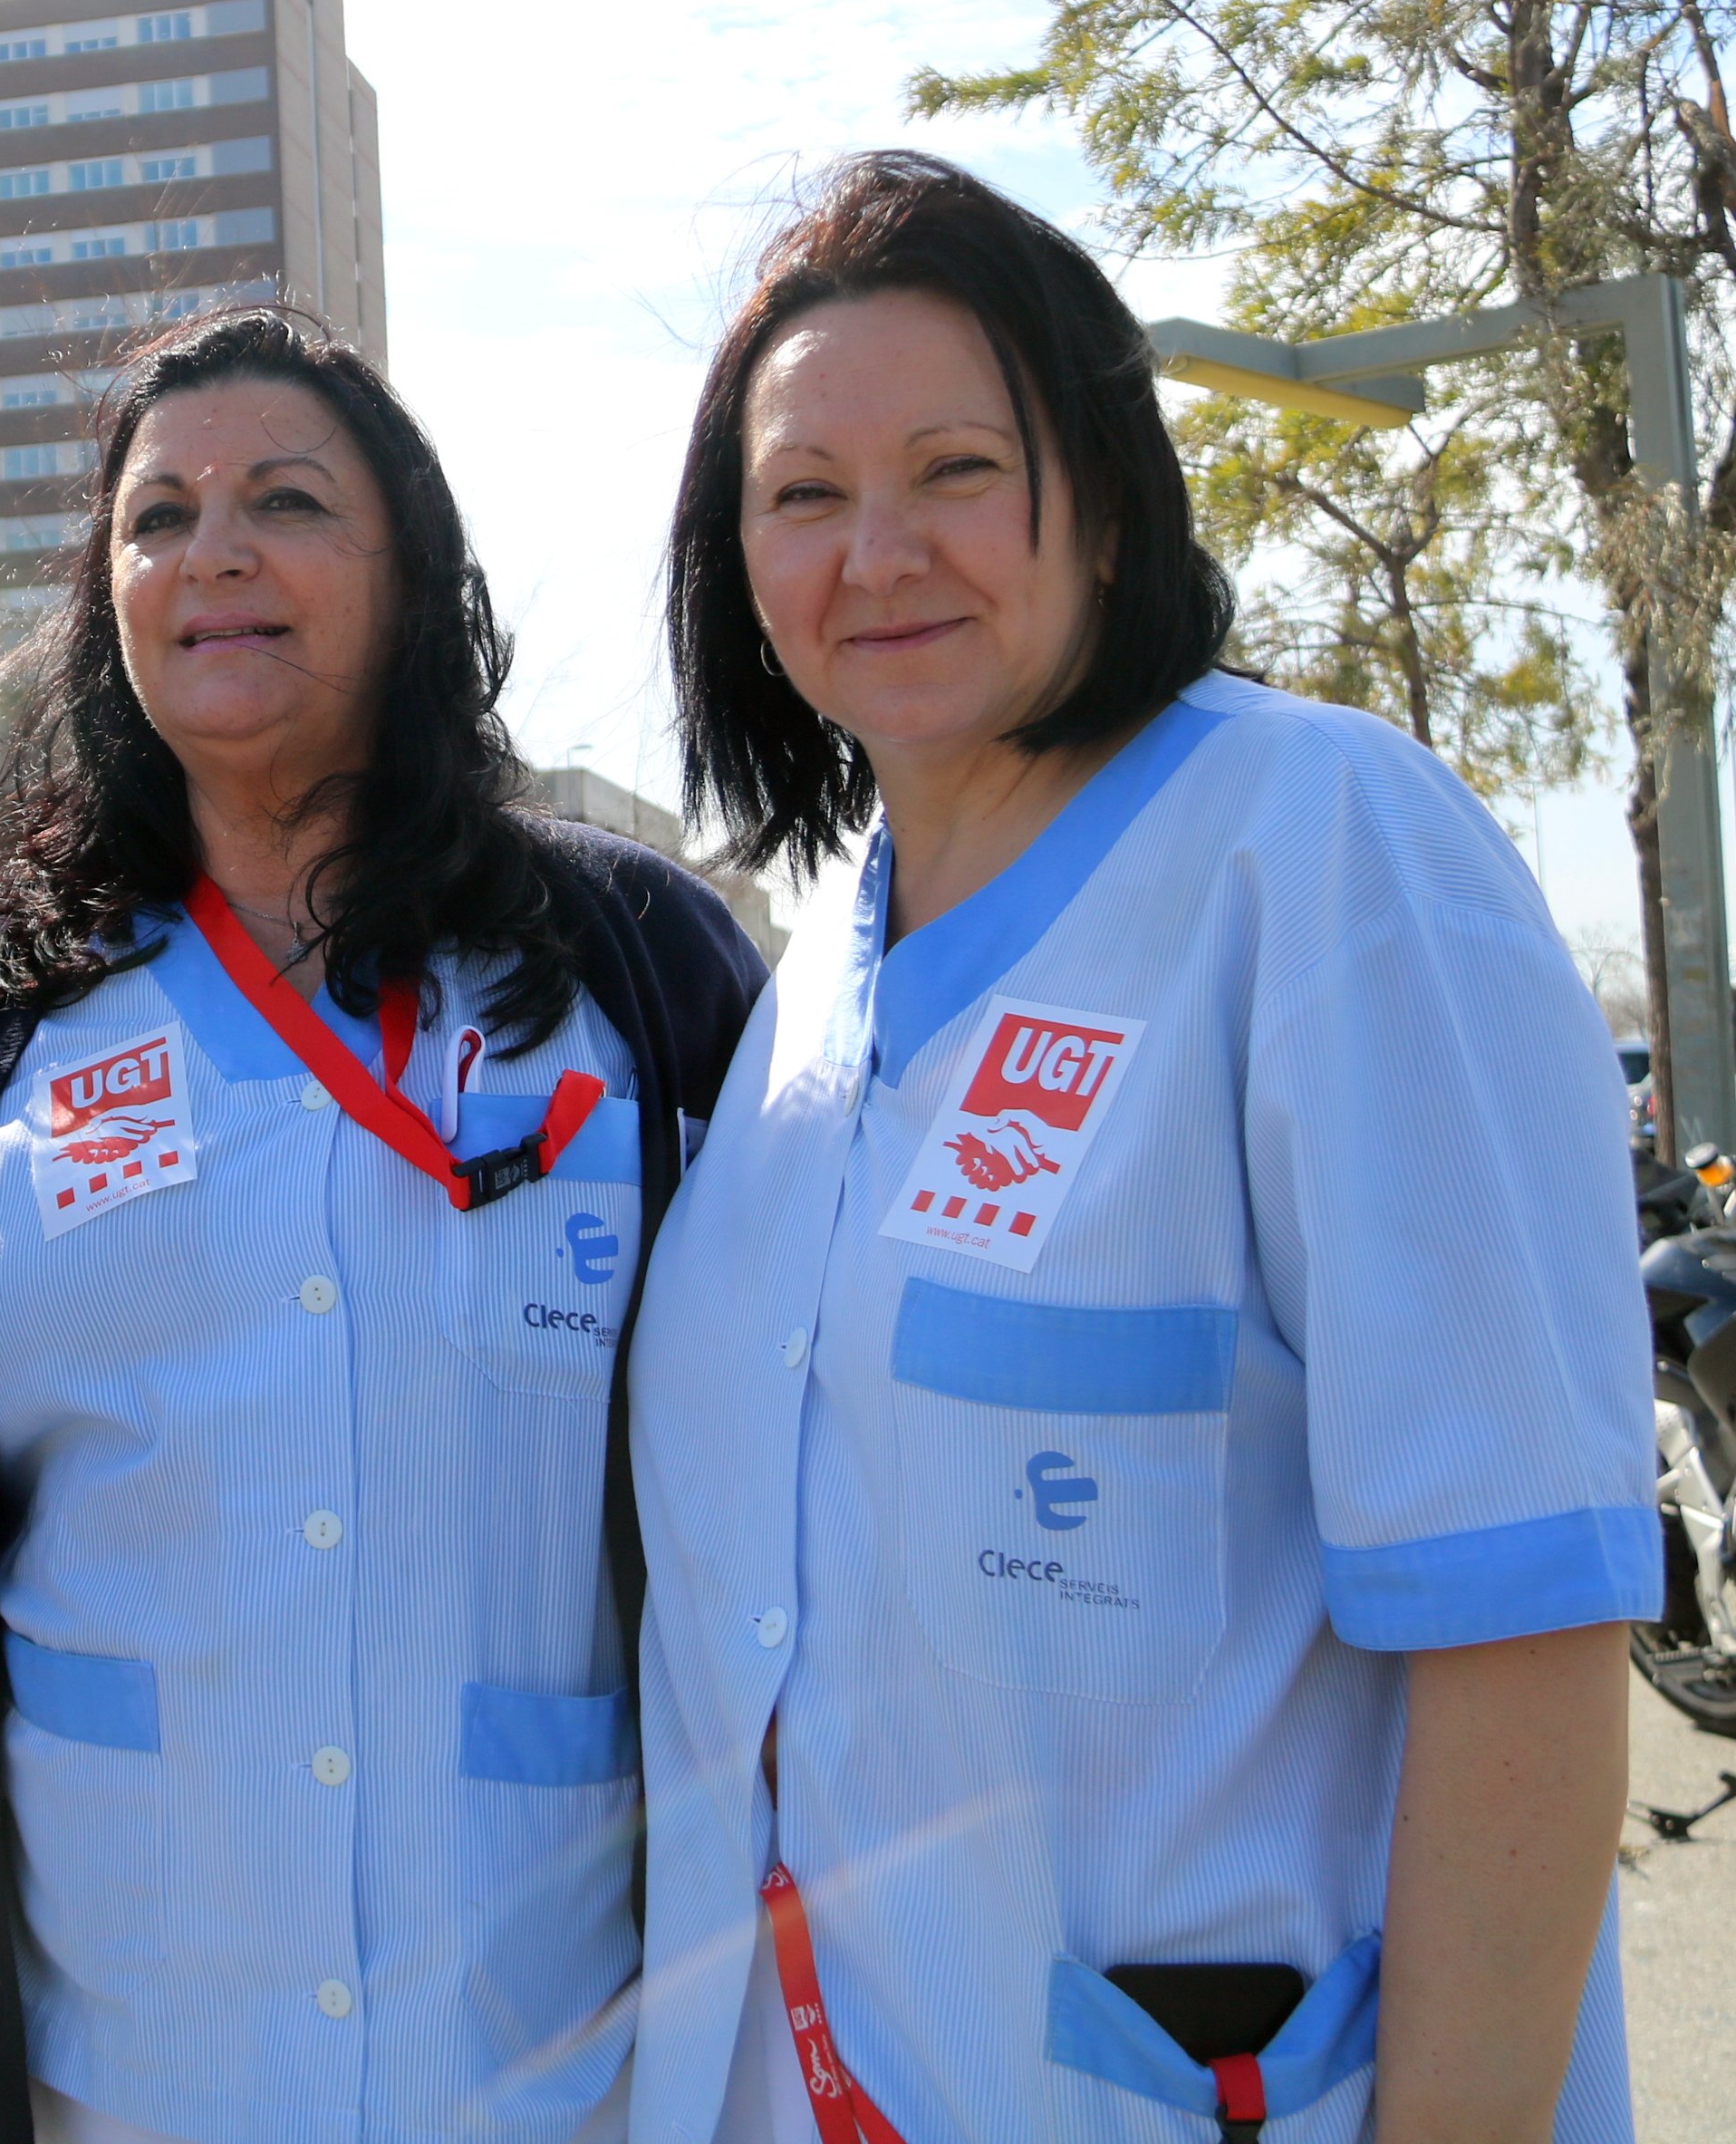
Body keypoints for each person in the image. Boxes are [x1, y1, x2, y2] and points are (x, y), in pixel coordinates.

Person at [628, 153, 1650, 2144]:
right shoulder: (813, 978)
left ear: (1098, 494)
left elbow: (1527, 1622)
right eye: (804, 494)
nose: (879, 550)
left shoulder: (1321, 850)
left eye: (954, 467)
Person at [0, 306, 768, 2144]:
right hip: (118, 2038)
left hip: (571, 2036)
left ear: (414, 574)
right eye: (159, 516)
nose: (214, 553)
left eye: (287, 500)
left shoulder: (634, 963)